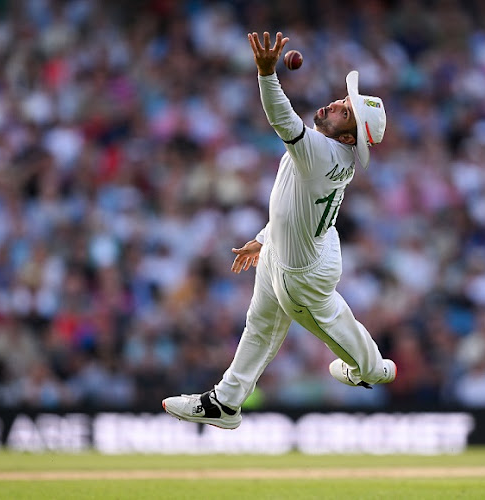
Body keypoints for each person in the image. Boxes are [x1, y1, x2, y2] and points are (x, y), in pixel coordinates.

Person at [162, 32, 394, 429]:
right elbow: (291, 204)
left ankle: (373, 370)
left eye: (345, 111)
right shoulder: (328, 151)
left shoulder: (321, 152)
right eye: (344, 100)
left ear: (349, 137)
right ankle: (226, 402)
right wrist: (266, 237)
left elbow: (281, 119)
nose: (337, 103)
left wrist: (266, 73)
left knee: (334, 325)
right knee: (260, 325)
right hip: (301, 247)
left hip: (302, 271)